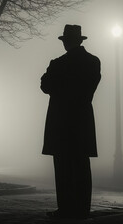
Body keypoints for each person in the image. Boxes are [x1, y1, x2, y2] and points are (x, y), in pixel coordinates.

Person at [40, 24, 101, 219]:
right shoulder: (93, 62)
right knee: (82, 166)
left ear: (66, 41)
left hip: (61, 122)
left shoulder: (58, 64)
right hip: (82, 121)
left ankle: (65, 208)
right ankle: (82, 208)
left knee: (63, 168)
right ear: (80, 40)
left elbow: (45, 86)